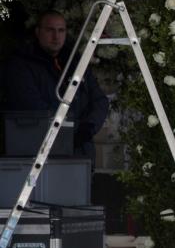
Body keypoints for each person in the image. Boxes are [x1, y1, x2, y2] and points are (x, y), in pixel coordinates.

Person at [2, 10, 108, 157]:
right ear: (38, 32)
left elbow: (100, 100)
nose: (56, 36)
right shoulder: (21, 65)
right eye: (50, 30)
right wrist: (71, 131)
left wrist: (88, 127)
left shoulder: (76, 62)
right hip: (42, 152)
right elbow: (33, 107)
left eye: (61, 30)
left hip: (81, 153)